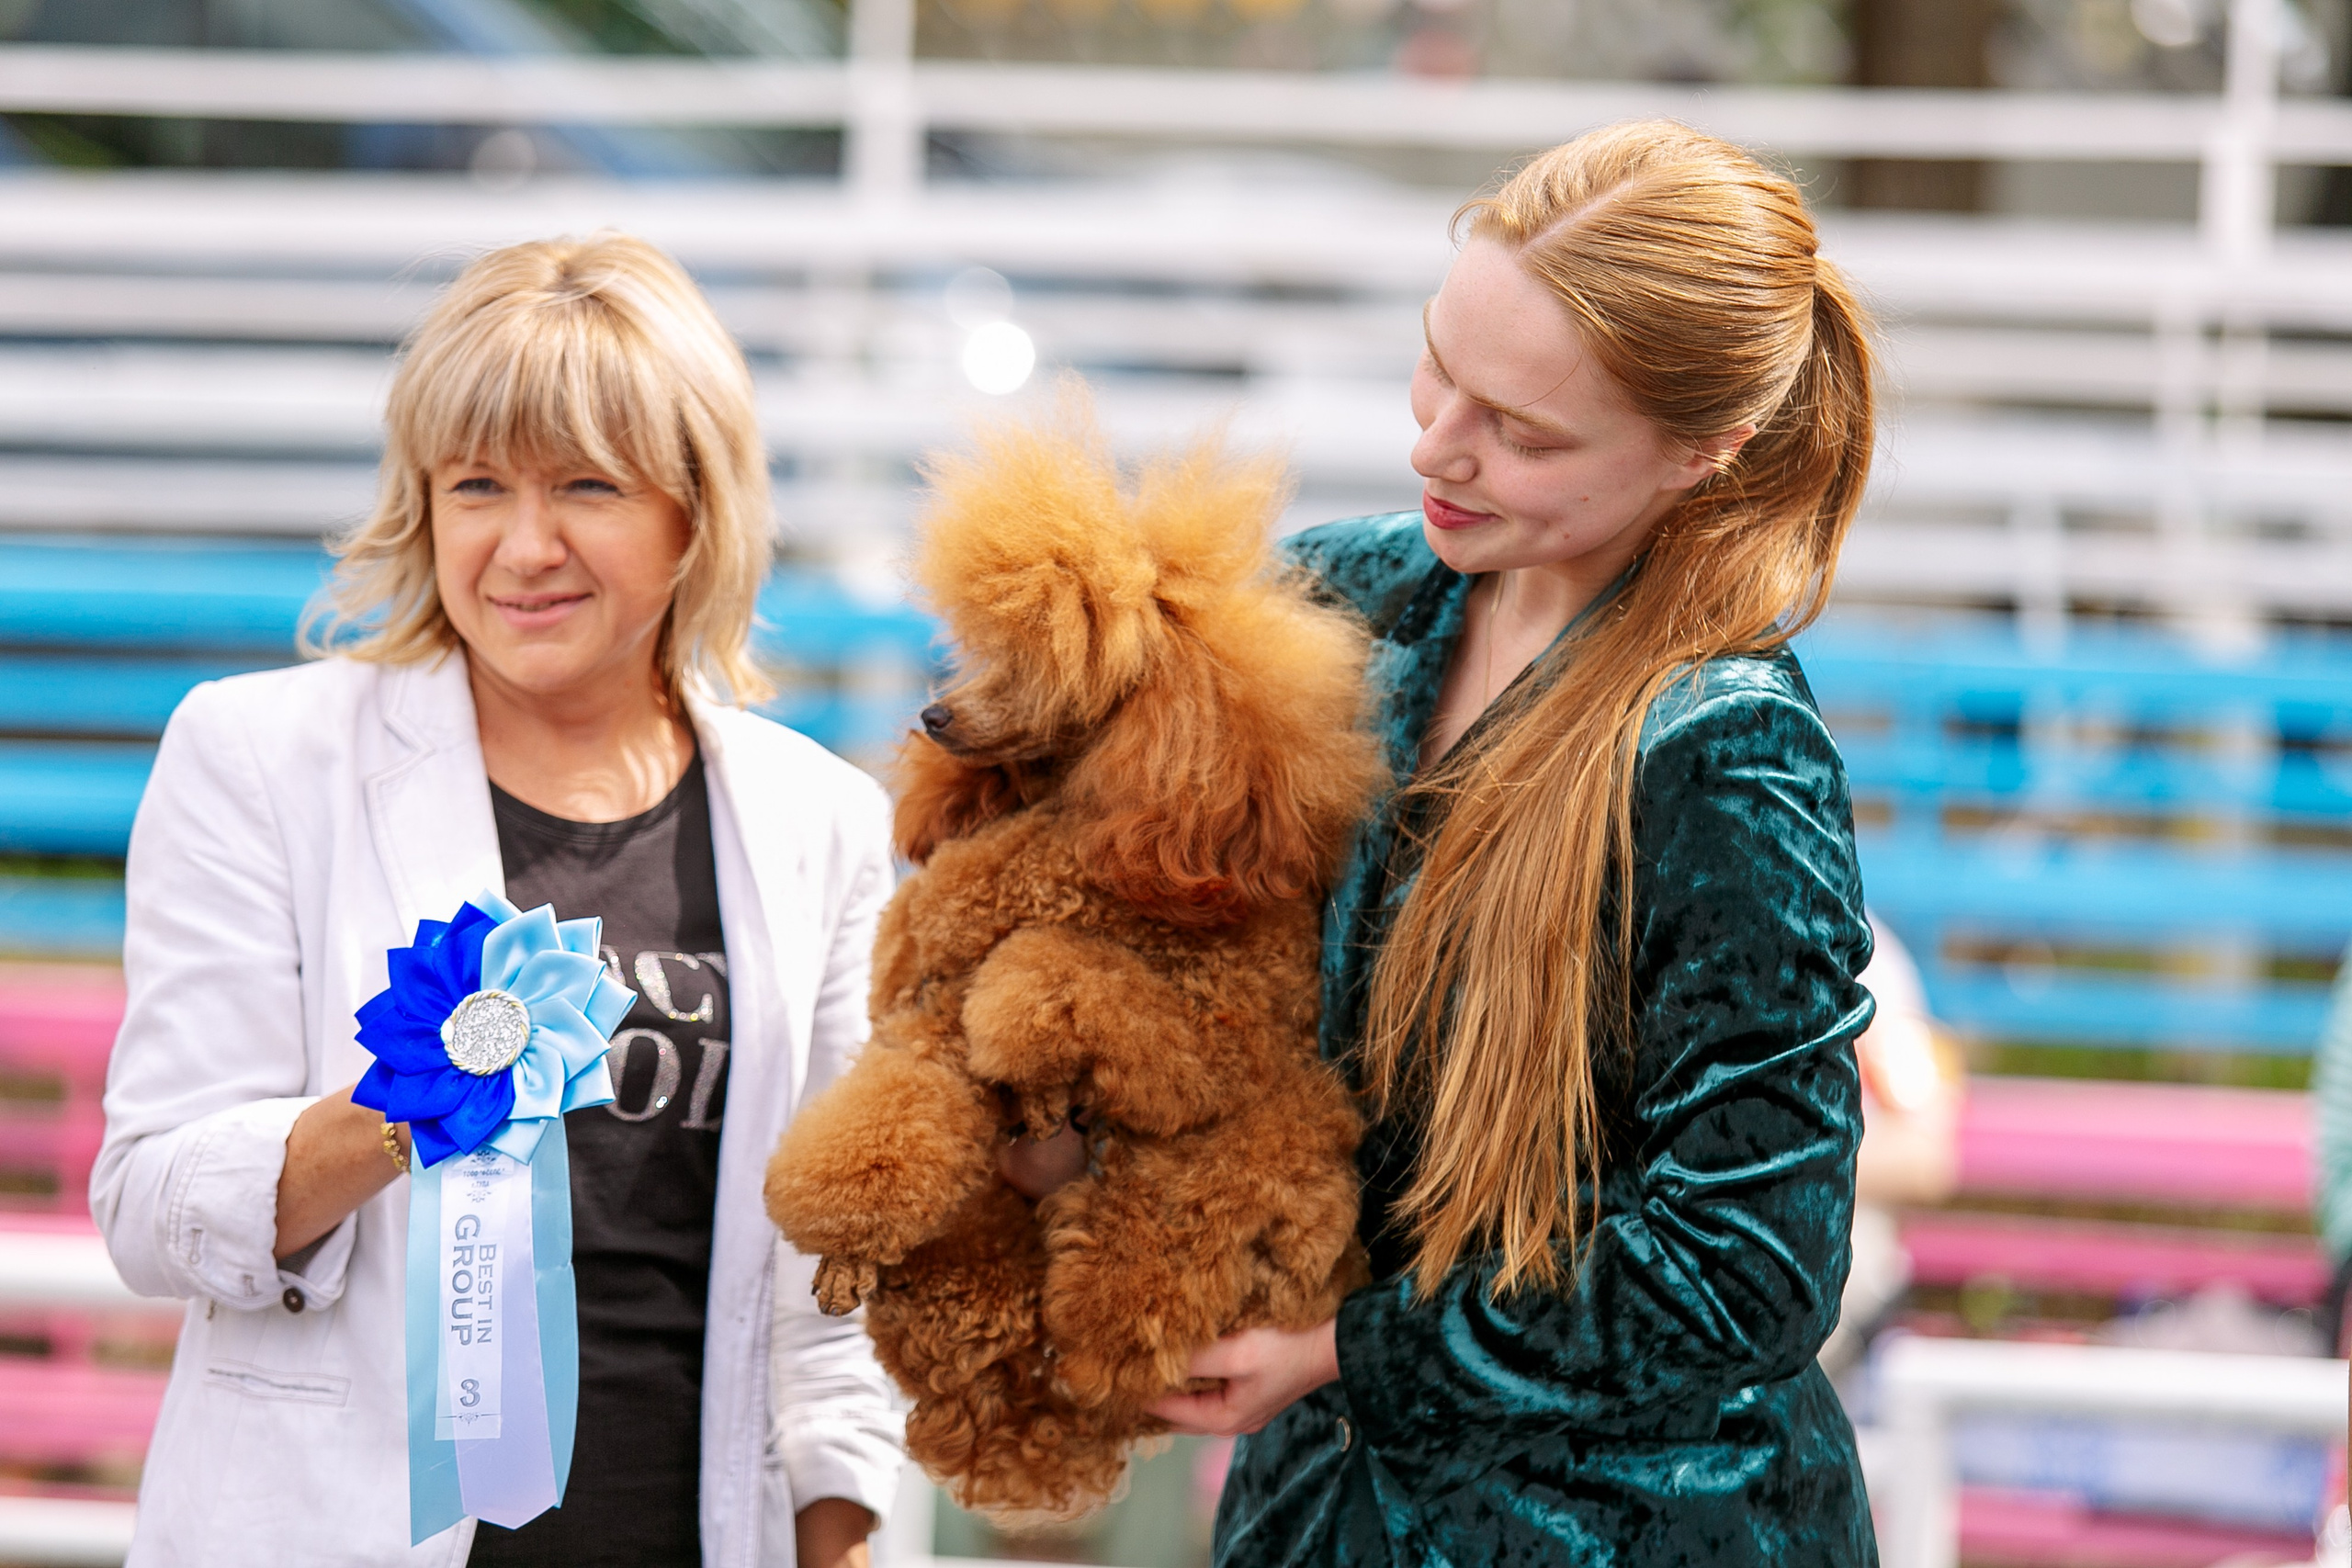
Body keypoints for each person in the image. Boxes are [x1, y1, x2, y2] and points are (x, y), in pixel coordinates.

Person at [1133, 120, 1882, 1563]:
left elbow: (1754, 1268)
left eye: (1523, 432)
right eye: (1438, 365)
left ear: (1703, 452)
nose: (1438, 444)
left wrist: (1356, 1350)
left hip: (1636, 1527)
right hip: (1322, 1510)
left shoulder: (1723, 752)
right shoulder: (1341, 602)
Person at [92, 235, 901, 1567]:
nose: (526, 547)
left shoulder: (820, 819)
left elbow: (828, 1290)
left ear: (693, 511)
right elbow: (148, 1204)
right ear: (423, 504)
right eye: (477, 487)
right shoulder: (257, 756)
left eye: (587, 485)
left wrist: (836, 1533)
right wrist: (410, 1104)